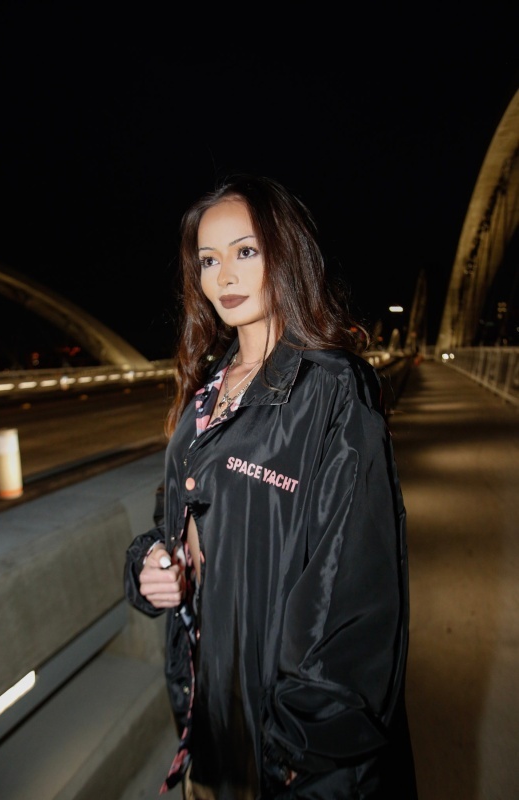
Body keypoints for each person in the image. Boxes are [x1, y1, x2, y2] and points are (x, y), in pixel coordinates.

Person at [124, 174, 418, 799]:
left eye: (246, 251)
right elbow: (172, 517)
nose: (224, 276)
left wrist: (296, 756)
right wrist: (152, 565)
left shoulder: (333, 389)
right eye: (209, 259)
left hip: (292, 755)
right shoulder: (207, 387)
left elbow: (354, 592)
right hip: (210, 723)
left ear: (286, 254)